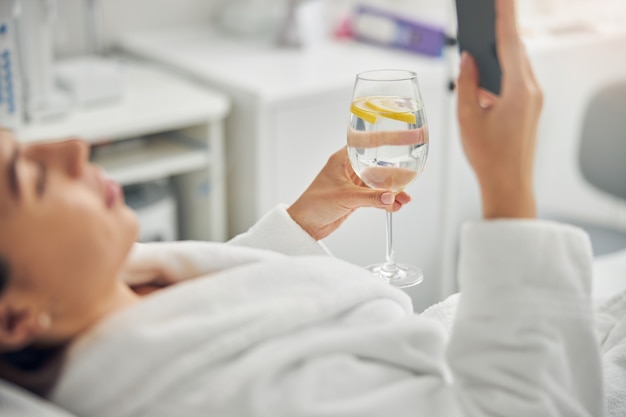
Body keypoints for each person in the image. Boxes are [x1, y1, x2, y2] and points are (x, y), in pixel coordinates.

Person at [0, 0, 606, 416]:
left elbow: (219, 314)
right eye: (30, 179)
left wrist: (301, 223)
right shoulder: (218, 397)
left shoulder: (124, 294)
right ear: (15, 318)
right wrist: (508, 190)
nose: (73, 150)